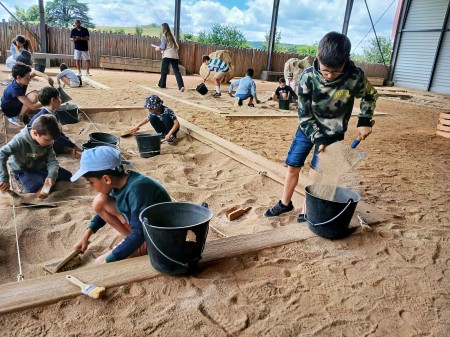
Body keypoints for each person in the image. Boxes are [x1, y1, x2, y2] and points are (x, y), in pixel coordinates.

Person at [264, 31, 378, 220]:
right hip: (307, 129)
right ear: (318, 58)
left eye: (336, 71)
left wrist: (365, 120)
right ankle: (285, 203)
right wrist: (318, 137)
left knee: (317, 175)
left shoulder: (355, 77)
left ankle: (307, 211)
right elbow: (304, 114)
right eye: (325, 70)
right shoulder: (308, 77)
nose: (330, 75)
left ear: (346, 61)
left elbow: (370, 95)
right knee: (293, 166)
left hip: (334, 132)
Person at [71, 146, 171, 265]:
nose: (90, 186)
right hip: (142, 229)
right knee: (100, 201)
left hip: (157, 238)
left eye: (91, 182)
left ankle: (137, 247)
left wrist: (108, 259)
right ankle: (129, 241)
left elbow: (139, 233)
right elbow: (101, 214)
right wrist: (85, 237)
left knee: (99, 263)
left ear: (106, 179)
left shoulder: (138, 189)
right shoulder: (118, 183)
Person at [0, 114, 72, 194]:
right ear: (35, 133)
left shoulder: (48, 143)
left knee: (67, 176)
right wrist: (4, 178)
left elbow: (52, 161)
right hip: (23, 169)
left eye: (52, 140)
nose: (51, 143)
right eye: (47, 140)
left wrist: (52, 175)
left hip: (40, 165)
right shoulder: (19, 140)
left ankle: (44, 179)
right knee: (34, 188)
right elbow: (1, 154)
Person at [28, 86, 82, 156]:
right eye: (59, 98)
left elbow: (59, 133)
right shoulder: (45, 118)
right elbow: (56, 136)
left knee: (60, 141)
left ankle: (69, 149)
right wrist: (72, 146)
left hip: (46, 138)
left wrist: (71, 144)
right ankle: (69, 150)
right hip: (37, 145)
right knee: (56, 142)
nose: (61, 100)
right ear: (53, 100)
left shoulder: (53, 113)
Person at [154, 23, 185, 92]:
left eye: (161, 27)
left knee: (164, 70)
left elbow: (163, 47)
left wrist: (157, 48)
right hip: (175, 55)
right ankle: (181, 86)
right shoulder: (172, 36)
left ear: (164, 28)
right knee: (177, 71)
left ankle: (162, 85)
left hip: (167, 55)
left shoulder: (164, 36)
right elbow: (177, 47)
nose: (161, 29)